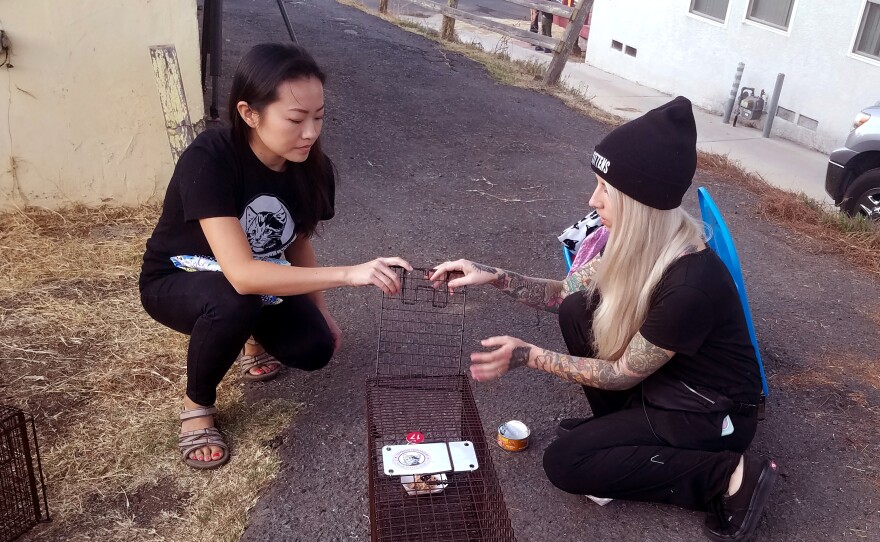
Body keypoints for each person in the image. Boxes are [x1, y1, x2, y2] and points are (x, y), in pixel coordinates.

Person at [431, 97, 777, 542]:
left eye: (605, 189)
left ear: (641, 203)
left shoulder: (690, 284)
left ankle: (729, 477)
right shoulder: (639, 242)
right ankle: (620, 431)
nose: (592, 200)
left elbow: (618, 375)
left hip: (709, 412)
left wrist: (529, 356)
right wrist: (493, 276)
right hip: (669, 383)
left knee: (566, 463)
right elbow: (564, 294)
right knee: (578, 309)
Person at [139, 43, 411, 470]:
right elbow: (243, 275)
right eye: (296, 119)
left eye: (319, 117)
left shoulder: (310, 166)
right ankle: (197, 406)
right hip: (179, 279)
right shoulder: (212, 157)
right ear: (250, 113)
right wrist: (349, 274)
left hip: (255, 282)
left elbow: (296, 243)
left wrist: (322, 312)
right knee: (235, 300)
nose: (310, 133)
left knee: (314, 348)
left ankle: (250, 339)